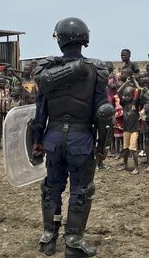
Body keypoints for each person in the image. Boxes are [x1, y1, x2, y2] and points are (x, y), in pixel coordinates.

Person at [31, 17, 108, 257]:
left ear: (59, 40)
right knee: (81, 189)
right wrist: (102, 145)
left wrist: (37, 140)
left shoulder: (46, 70)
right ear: (85, 39)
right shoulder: (96, 71)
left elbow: (39, 110)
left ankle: (49, 237)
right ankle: (73, 240)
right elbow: (102, 112)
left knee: (51, 188)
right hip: (81, 138)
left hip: (52, 137)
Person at [118, 86, 142, 174]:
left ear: (133, 95)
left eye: (129, 96)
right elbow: (118, 91)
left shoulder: (135, 103)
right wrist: (126, 82)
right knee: (125, 148)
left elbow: (139, 90)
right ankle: (125, 165)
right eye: (125, 96)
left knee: (133, 149)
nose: (126, 97)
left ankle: (136, 167)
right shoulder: (123, 103)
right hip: (126, 130)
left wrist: (134, 81)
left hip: (134, 130)